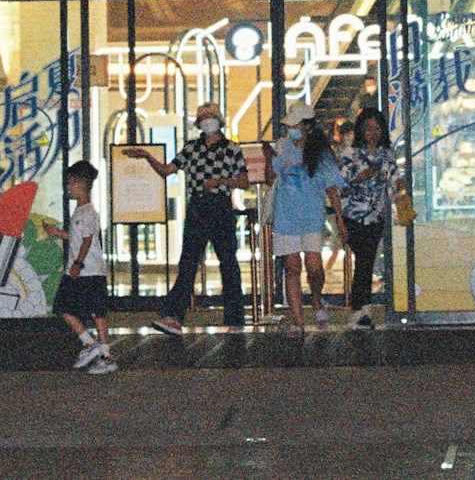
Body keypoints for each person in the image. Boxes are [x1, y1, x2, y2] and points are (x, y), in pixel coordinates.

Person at [125, 102, 248, 334]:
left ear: (219, 120)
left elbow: (243, 180)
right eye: (203, 117)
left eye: (210, 116)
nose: (206, 120)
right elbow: (166, 170)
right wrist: (146, 156)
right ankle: (174, 316)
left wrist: (221, 182)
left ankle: (235, 319)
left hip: (220, 205)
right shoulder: (192, 148)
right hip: (198, 206)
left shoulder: (232, 148)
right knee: (188, 262)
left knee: (228, 263)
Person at [269, 102, 345, 335]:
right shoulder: (282, 148)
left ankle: (315, 298)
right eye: (290, 124)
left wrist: (340, 219)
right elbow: (270, 176)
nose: (291, 128)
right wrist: (267, 157)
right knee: (292, 267)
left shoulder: (321, 153)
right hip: (285, 218)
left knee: (314, 267)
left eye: (295, 124)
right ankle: (297, 320)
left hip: (312, 217)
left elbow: (332, 188)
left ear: (307, 126)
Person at [42, 159, 114, 374]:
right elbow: (78, 237)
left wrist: (77, 264)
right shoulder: (82, 212)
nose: (69, 188)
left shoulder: (87, 212)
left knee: (63, 307)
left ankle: (91, 344)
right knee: (97, 312)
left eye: (71, 183)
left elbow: (87, 240)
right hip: (90, 271)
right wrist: (57, 233)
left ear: (82, 184)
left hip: (85, 271)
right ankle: (104, 354)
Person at [338, 106, 396, 329]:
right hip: (353, 216)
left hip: (375, 217)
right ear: (360, 131)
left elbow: (393, 180)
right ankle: (361, 309)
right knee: (363, 261)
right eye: (368, 128)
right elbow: (338, 184)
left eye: (377, 128)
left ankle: (361, 311)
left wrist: (399, 187)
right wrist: (360, 177)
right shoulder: (350, 155)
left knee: (366, 262)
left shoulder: (386, 155)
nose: (373, 133)